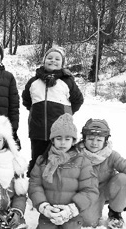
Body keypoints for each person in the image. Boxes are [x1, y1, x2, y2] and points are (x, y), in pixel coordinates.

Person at [28, 114, 98, 229]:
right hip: (49, 211)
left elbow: (90, 190)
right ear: (52, 140)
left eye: (67, 139)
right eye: (58, 138)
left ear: (73, 141)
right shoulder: (42, 161)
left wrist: (72, 209)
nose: (62, 142)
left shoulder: (82, 161)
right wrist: (44, 206)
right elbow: (35, 185)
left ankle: (71, 226)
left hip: (71, 212)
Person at [22, 47, 84, 176]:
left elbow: (78, 100)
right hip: (37, 130)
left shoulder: (67, 81)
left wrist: (67, 115)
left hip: (59, 133)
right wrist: (35, 112)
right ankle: (34, 187)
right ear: (44, 60)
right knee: (38, 160)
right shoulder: (33, 82)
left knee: (58, 161)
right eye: (49, 58)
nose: (53, 61)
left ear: (62, 63)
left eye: (57, 59)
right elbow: (26, 100)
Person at [77, 118, 126, 229]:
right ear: (84, 139)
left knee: (124, 179)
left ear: (105, 141)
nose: (94, 143)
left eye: (99, 140)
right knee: (89, 222)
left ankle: (115, 213)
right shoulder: (76, 154)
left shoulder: (111, 154)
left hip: (107, 189)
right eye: (90, 139)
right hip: (87, 193)